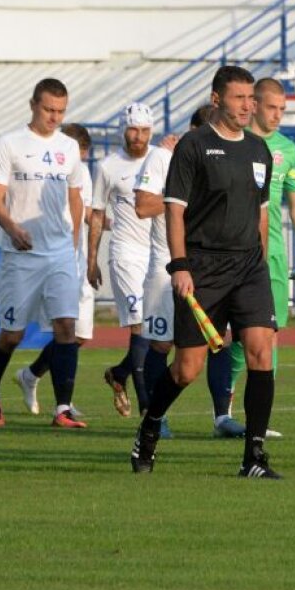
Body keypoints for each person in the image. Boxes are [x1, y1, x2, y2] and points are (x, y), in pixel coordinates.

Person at [129, 65, 280, 478]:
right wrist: (179, 266)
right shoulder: (194, 146)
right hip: (203, 269)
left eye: (251, 98)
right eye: (239, 98)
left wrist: (261, 267)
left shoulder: (258, 150)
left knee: (260, 353)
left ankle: (254, 457)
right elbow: (175, 211)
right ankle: (149, 427)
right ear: (216, 100)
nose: (248, 105)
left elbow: (261, 215)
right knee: (187, 369)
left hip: (248, 268)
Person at [205, 78, 295, 439]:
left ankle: (256, 419)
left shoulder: (288, 150)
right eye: (272, 108)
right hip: (229, 255)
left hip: (270, 261)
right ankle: (222, 412)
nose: (278, 116)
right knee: (228, 340)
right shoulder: (236, 144)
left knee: (269, 337)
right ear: (253, 104)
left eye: (283, 110)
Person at [0, 78, 86, 429]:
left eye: (60, 111)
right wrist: (12, 228)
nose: (54, 117)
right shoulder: (10, 143)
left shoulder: (69, 147)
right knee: (12, 335)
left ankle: (63, 410)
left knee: (66, 328)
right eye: (48, 110)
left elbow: (74, 199)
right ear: (32, 105)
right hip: (20, 254)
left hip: (59, 254)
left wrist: (72, 245)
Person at [14, 123, 95, 416]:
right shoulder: (48, 171)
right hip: (56, 260)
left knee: (80, 335)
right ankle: (64, 403)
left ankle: (31, 374)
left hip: (77, 260)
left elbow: (84, 212)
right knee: (67, 332)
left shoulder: (82, 173)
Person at [87, 103, 155, 418]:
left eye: (144, 130)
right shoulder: (108, 167)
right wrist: (92, 260)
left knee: (160, 333)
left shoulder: (162, 161)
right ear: (122, 130)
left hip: (157, 255)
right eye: (133, 130)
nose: (138, 136)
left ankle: (119, 374)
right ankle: (148, 411)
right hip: (126, 254)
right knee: (140, 328)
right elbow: (97, 214)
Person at [133, 131, 182, 440]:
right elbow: (142, 206)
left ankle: (222, 417)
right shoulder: (163, 158)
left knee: (213, 348)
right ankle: (154, 416)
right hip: (166, 267)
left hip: (206, 268)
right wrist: (178, 199)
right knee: (162, 344)